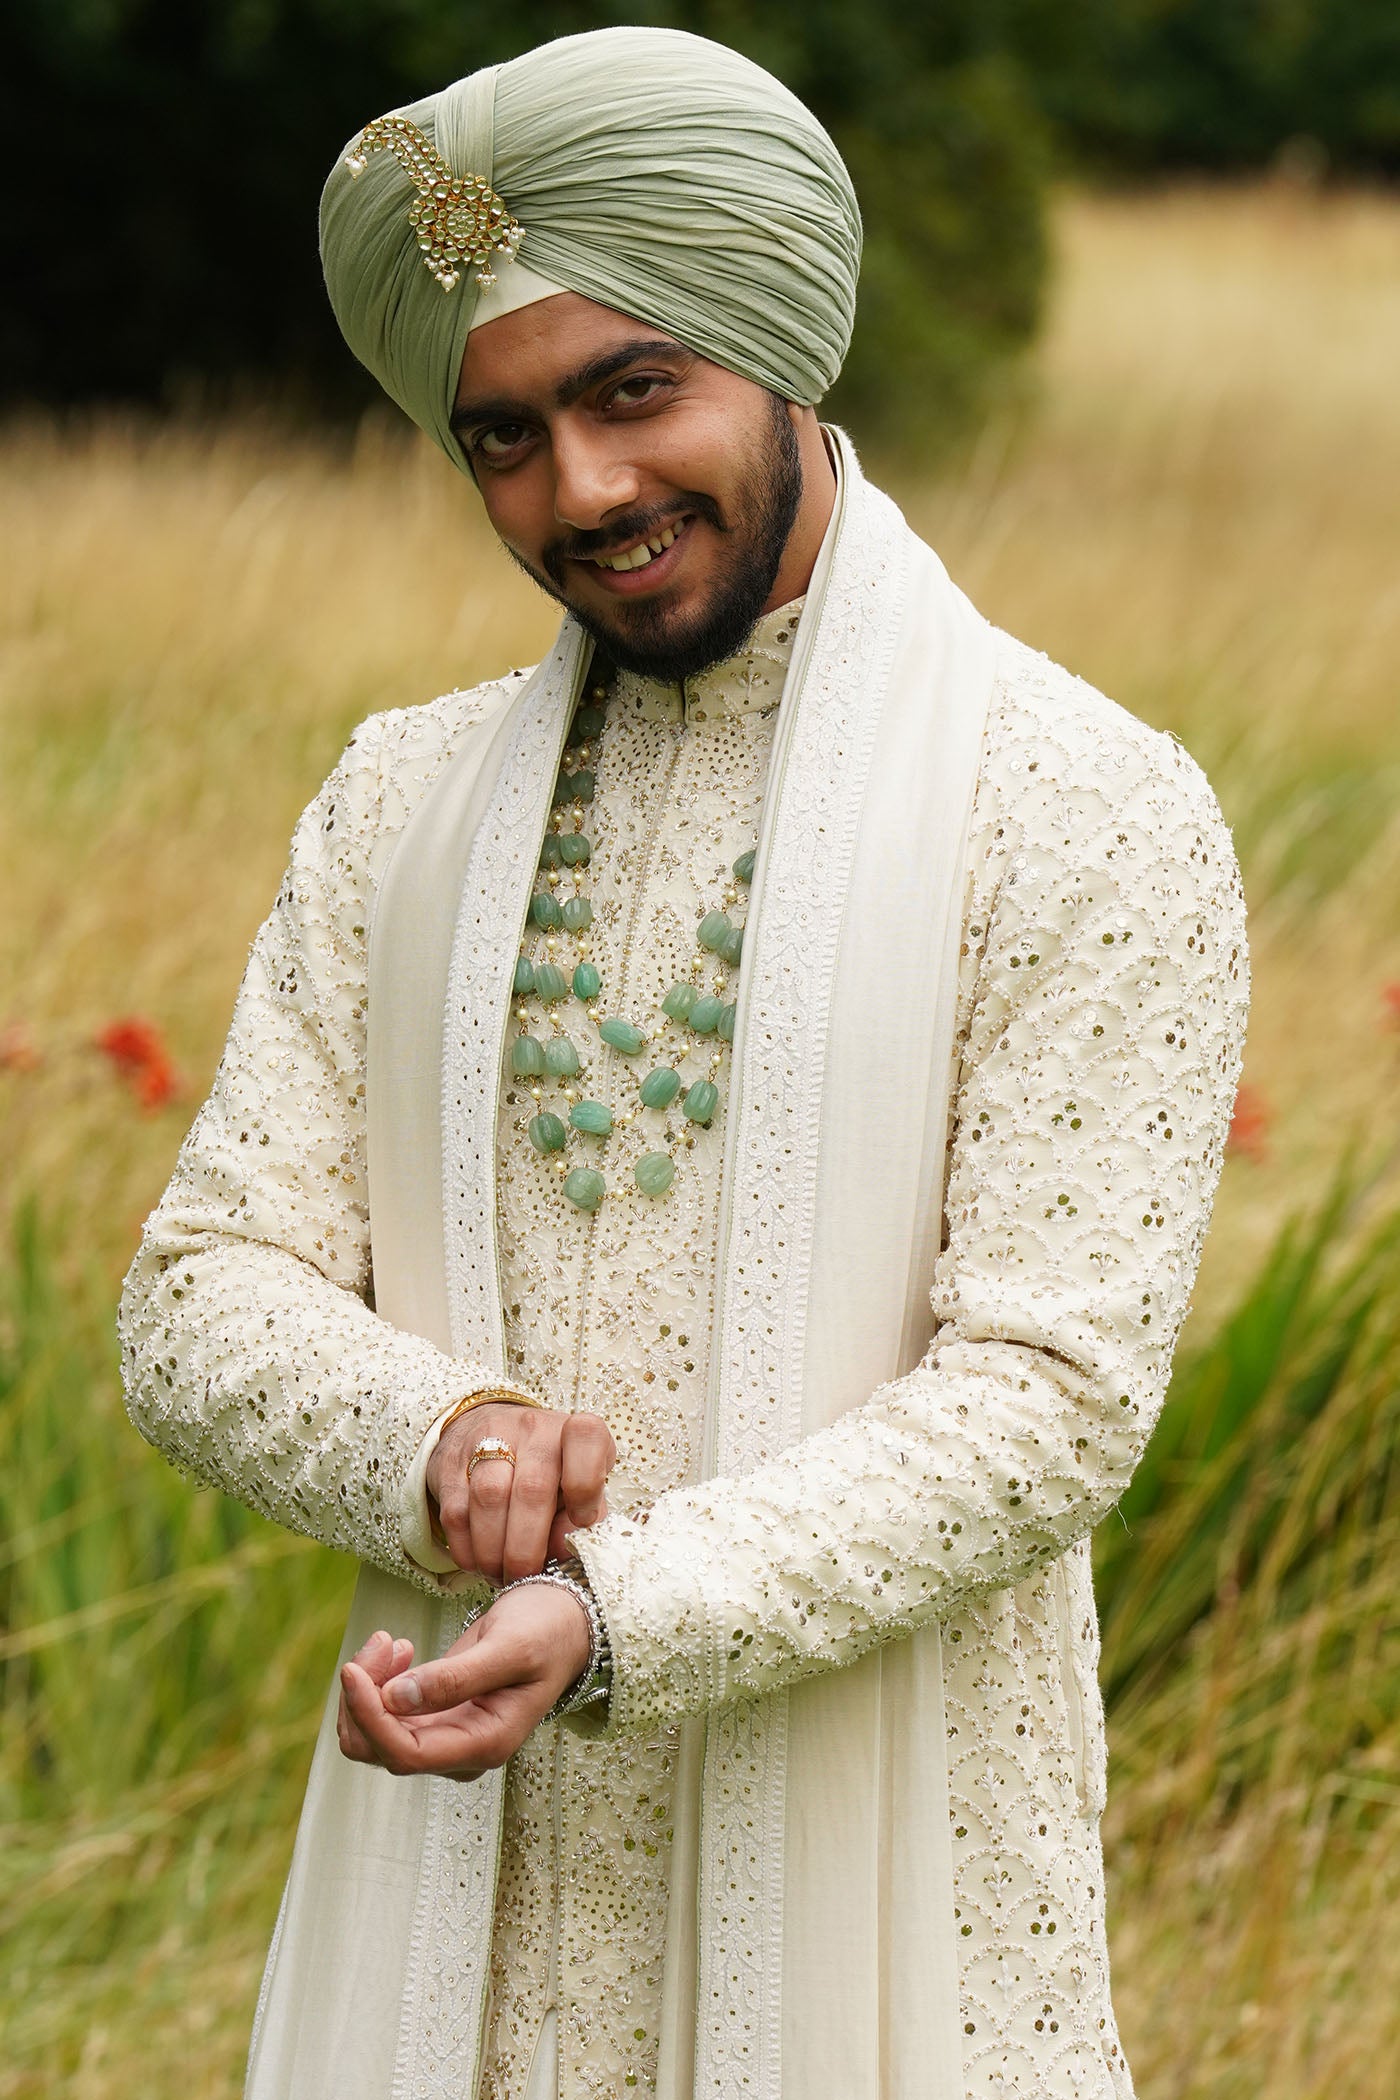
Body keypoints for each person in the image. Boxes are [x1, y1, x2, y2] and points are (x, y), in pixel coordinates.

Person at [119, 25, 1248, 2100]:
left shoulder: (1079, 804)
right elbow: (198, 1286)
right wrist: (431, 1428)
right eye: (505, 438)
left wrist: (624, 1614)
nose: (584, 493)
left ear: (776, 344)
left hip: (899, 1892)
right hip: (459, 1909)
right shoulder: (401, 799)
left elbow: (1051, 1394)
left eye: (636, 391)